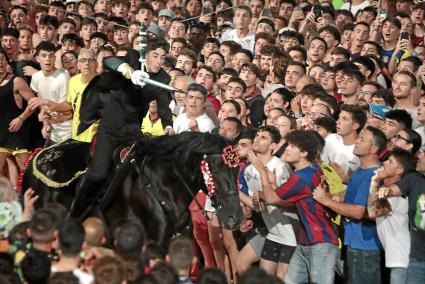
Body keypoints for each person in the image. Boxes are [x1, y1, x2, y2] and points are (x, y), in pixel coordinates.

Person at [248, 130, 339, 284]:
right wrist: (274, 188)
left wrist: (261, 170)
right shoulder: (313, 169)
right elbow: (293, 203)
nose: (286, 149)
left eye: (292, 146)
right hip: (306, 241)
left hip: (320, 242)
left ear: (304, 153)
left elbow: (271, 198)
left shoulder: (301, 177)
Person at [314, 125, 387, 284]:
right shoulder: (361, 171)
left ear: (373, 148)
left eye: (362, 139)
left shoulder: (373, 175)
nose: (357, 142)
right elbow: (348, 199)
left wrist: (326, 201)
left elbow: (358, 211)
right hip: (354, 241)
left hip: (365, 246)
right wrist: (333, 196)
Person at [368, 148, 416, 284]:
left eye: (390, 161)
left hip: (403, 263)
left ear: (400, 170)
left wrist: (375, 182)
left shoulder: (397, 194)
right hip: (401, 261)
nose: (384, 163)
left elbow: (373, 212)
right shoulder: (390, 190)